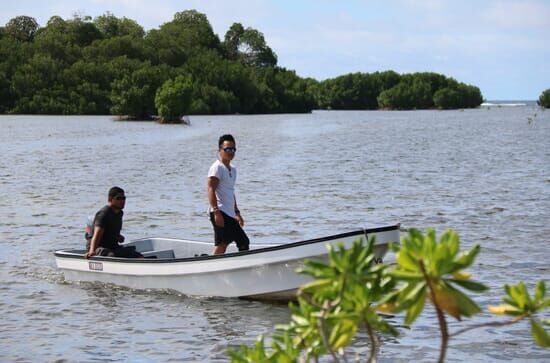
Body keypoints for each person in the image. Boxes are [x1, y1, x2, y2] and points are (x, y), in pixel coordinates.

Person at [207, 134, 250, 255]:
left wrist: (237, 212)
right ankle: (211, 267)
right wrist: (216, 212)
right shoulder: (216, 168)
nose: (230, 152)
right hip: (220, 211)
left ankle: (240, 266)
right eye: (227, 149)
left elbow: (230, 192)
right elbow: (210, 189)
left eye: (233, 149)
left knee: (242, 241)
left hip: (230, 213)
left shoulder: (233, 169)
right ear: (220, 150)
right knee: (223, 243)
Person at [85, 186, 143, 258]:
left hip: (112, 246)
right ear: (110, 199)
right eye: (119, 198)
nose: (122, 201)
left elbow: (110, 231)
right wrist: (92, 251)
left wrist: (118, 236)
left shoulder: (119, 213)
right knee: (111, 256)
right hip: (98, 247)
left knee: (136, 254)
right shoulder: (104, 214)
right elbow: (96, 234)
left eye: (123, 198)